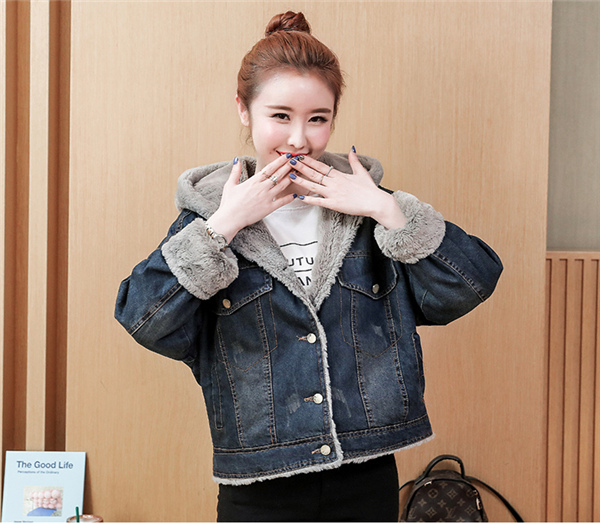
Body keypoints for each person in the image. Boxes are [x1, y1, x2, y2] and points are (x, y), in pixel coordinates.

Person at [115, 11, 503, 522]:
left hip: (366, 470)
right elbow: (144, 319)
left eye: (317, 118)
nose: (299, 138)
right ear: (243, 110)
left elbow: (469, 284)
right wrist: (224, 225)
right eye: (280, 116)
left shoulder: (369, 213)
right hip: (258, 478)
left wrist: (387, 209)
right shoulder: (210, 218)